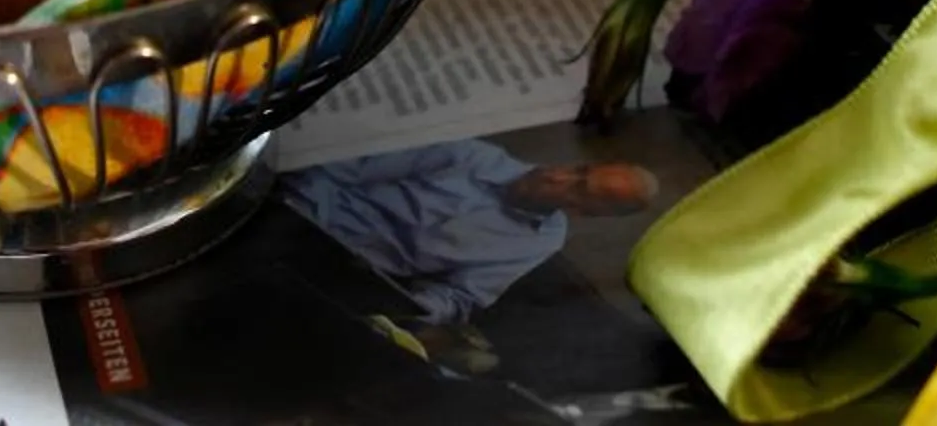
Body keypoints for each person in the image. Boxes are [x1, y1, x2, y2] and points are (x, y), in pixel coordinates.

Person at [280, 140, 661, 330]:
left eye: (577, 188)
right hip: (304, 215)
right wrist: (299, 215)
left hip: (350, 277)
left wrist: (409, 311)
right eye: (579, 169)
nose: (557, 175)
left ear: (586, 212)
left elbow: (460, 297)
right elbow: (339, 171)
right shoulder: (473, 155)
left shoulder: (541, 241)